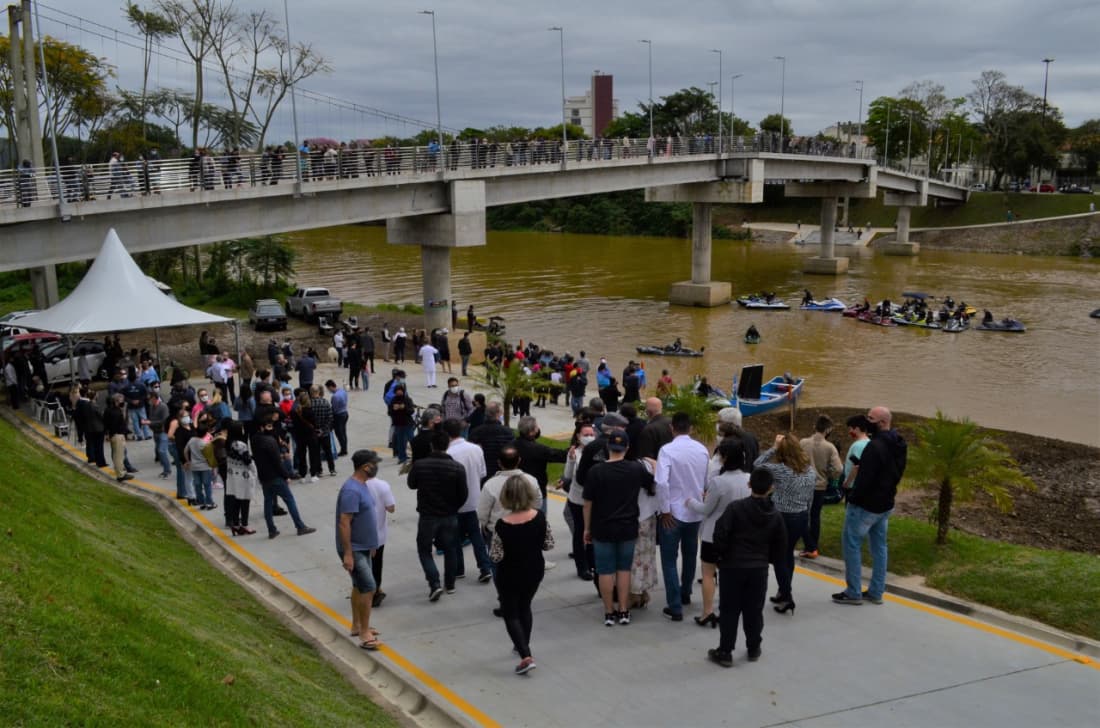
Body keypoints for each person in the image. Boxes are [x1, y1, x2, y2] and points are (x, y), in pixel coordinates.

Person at [707, 468, 788, 668]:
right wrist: (767, 559)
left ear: (749, 484)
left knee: (729, 609)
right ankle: (753, 647)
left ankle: (725, 650)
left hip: (732, 566)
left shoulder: (736, 509)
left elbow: (721, 533)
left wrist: (720, 557)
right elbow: (781, 545)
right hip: (758, 567)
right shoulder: (775, 516)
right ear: (771, 488)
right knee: (754, 609)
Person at [833, 406, 907, 605]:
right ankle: (876, 591)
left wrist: (853, 498)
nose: (867, 421)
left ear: (882, 422)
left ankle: (853, 591)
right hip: (886, 504)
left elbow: (865, 479)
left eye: (871, 418)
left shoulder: (873, 447)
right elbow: (897, 472)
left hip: (865, 506)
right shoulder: (899, 443)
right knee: (880, 547)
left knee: (851, 545)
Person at [583, 428, 654, 626]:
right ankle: (624, 610)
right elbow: (653, 485)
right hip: (627, 526)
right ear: (627, 447)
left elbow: (588, 503)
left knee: (605, 571)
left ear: (608, 447)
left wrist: (587, 528)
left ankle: (608, 612)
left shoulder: (596, 471)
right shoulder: (635, 469)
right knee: (624, 570)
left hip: (602, 527)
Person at [490, 475, 553, 675]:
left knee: (510, 613)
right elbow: (548, 544)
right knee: (525, 606)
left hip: (509, 573)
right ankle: (522, 643)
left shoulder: (502, 524)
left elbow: (496, 556)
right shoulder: (540, 517)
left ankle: (526, 656)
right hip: (534, 569)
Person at [685, 438, 751, 626]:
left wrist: (690, 501)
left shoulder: (718, 482)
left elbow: (706, 509)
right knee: (729, 575)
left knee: (708, 574)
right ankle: (729, 609)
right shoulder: (748, 480)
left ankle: (707, 612)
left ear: (725, 457)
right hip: (736, 535)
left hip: (713, 534)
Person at [654, 412, 709, 621]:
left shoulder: (667, 450)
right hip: (694, 511)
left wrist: (665, 509)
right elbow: (705, 482)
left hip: (673, 512)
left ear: (672, 428)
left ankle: (675, 605)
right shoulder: (703, 450)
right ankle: (685, 593)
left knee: (669, 560)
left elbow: (661, 482)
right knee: (689, 555)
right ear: (691, 428)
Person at [754, 433, 816, 615]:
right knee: (788, 554)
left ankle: (787, 595)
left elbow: (757, 465)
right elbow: (810, 497)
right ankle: (784, 591)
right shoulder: (809, 470)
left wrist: (774, 446)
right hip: (802, 515)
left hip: (783, 517)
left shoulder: (781, 470)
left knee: (779, 557)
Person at [407, 429, 467, 601]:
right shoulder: (457, 467)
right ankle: (450, 583)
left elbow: (411, 484)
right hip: (449, 514)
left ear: (431, 446)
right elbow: (463, 494)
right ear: (447, 445)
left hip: (428, 515)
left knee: (424, 549)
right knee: (450, 548)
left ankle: (434, 583)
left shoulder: (420, 465)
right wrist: (453, 507)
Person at [336, 450, 382, 651]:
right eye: (375, 463)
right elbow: (344, 523)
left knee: (358, 585)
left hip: (364, 547)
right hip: (354, 548)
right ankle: (365, 633)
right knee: (369, 587)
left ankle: (357, 625)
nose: (377, 466)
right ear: (366, 466)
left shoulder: (362, 486)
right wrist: (347, 553)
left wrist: (371, 544)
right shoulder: (351, 491)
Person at [252, 413, 317, 539]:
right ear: (262, 427)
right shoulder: (270, 441)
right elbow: (277, 462)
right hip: (276, 476)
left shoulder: (255, 439)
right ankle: (300, 526)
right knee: (289, 500)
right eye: (269, 426)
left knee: (268, 502)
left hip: (264, 476)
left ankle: (271, 529)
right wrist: (286, 475)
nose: (271, 429)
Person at [444, 418, 493, 583]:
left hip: (454, 503)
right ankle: (485, 567)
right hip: (474, 500)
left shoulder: (448, 454)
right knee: (476, 536)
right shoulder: (476, 449)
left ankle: (459, 569)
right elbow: (482, 473)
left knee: (454, 537)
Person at [799, 415, 843, 558]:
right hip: (819, 486)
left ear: (815, 426)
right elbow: (838, 469)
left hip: (803, 483)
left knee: (802, 514)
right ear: (828, 429)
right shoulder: (830, 447)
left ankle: (808, 546)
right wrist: (827, 475)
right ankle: (813, 546)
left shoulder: (803, 443)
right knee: (815, 516)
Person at [510, 415, 566, 507]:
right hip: (536, 492)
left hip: (515, 490)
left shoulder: (511, 445)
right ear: (532, 432)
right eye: (536, 427)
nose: (538, 429)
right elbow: (561, 455)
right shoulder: (539, 450)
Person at [366, 457, 397, 608]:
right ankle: (375, 591)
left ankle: (366, 590)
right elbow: (391, 508)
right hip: (378, 534)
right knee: (377, 564)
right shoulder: (382, 485)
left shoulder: (354, 485)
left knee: (364, 564)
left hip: (360, 535)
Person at [224, 422, 257, 535]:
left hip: (232, 475)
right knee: (245, 499)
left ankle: (236, 525)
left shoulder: (228, 442)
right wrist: (254, 469)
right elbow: (247, 460)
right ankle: (245, 525)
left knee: (237, 499)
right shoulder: (240, 444)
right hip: (243, 475)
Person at [841, 414, 872, 496]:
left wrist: (847, 483)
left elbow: (857, 466)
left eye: (850, 429)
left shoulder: (857, 445)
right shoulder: (869, 442)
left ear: (857, 429)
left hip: (853, 486)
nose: (849, 432)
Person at [386, 384, 415, 464]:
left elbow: (411, 411)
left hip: (407, 423)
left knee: (411, 439)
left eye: (400, 390)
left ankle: (416, 456)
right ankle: (402, 457)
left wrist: (404, 408)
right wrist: (393, 409)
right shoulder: (393, 400)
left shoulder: (407, 399)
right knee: (400, 441)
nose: (399, 392)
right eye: (397, 391)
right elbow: (389, 412)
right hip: (398, 424)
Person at [326, 380, 349, 457]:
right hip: (345, 413)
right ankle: (345, 448)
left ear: (331, 387)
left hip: (338, 416)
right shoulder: (342, 391)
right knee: (343, 432)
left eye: (328, 389)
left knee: (339, 433)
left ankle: (343, 450)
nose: (329, 390)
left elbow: (334, 409)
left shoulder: (335, 396)